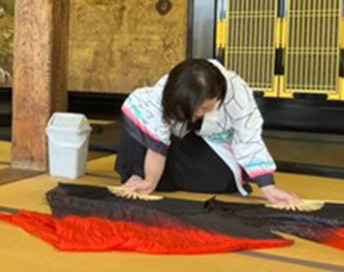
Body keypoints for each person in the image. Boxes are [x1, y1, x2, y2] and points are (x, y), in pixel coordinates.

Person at [117, 58, 301, 204]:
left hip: (209, 143)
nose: (197, 113)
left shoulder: (238, 93)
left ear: (219, 95)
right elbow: (156, 143)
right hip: (171, 141)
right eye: (193, 108)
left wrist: (268, 187)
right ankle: (137, 173)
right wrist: (149, 181)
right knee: (138, 111)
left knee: (223, 181)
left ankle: (162, 175)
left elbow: (249, 138)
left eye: (204, 107)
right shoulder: (167, 89)